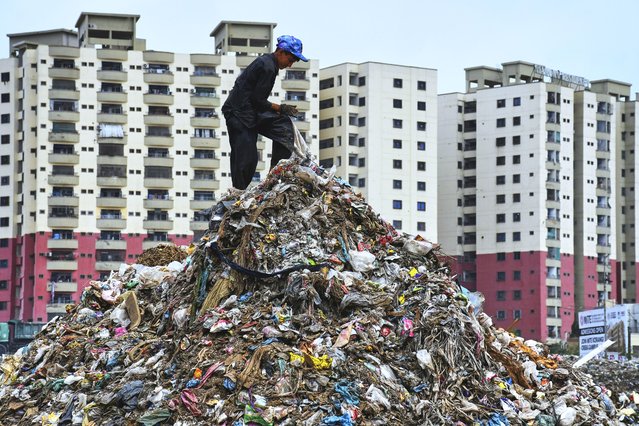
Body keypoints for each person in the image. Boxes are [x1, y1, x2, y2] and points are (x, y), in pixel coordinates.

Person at [222, 35, 309, 190]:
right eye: (290, 60)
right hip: (239, 114)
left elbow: (257, 101)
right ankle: (237, 193)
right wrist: (281, 108)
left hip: (250, 112)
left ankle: (276, 174)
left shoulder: (269, 64)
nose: (289, 65)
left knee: (283, 125)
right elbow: (258, 100)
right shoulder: (267, 66)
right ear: (281, 52)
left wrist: (280, 111)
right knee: (246, 158)